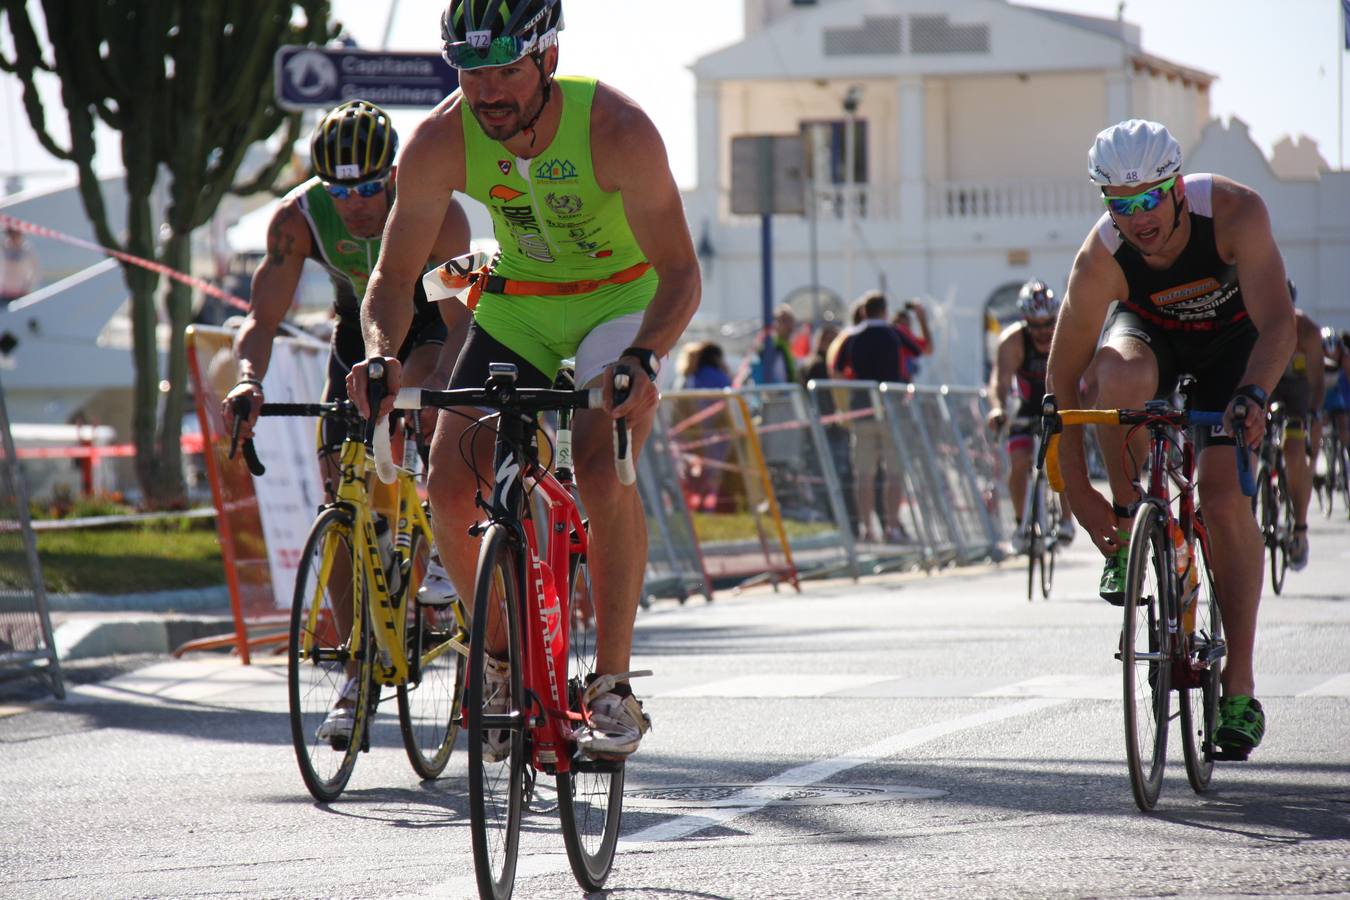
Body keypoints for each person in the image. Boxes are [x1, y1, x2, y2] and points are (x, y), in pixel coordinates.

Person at [347, 0, 701, 760]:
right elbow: (394, 274)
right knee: (445, 484)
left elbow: (680, 273)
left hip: (619, 301)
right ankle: (500, 661)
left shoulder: (619, 131)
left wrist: (644, 359)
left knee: (604, 467)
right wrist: (379, 351)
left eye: (506, 69)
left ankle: (610, 685)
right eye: (472, 72)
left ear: (546, 58)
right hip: (520, 310)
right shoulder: (441, 137)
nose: (488, 91)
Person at [222, 99, 472, 743]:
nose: (356, 202)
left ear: (392, 174)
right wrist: (248, 380)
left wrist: (439, 394)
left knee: (422, 394)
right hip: (354, 341)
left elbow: (462, 322)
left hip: (429, 331)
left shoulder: (438, 209)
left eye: (368, 186)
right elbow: (261, 320)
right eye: (340, 189)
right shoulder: (297, 217)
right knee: (341, 501)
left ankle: (440, 535)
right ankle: (356, 667)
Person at [1048, 119, 1296, 758]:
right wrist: (1085, 500)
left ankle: (1239, 686)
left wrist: (1255, 395)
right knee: (1111, 375)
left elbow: (1277, 325)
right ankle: (1136, 519)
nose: (1140, 218)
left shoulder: (1237, 212)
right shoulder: (1101, 257)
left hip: (1233, 346)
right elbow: (1061, 389)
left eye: (1152, 197)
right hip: (1150, 338)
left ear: (1178, 188)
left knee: (1219, 495)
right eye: (1121, 205)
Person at [986, 279, 1076, 551]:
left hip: (1059, 403)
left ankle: (1066, 520)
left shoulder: (1068, 335)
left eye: (1048, 323)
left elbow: (1085, 376)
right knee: (1017, 462)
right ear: (1025, 321)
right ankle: (1021, 523)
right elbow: (999, 382)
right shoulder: (1013, 340)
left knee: (1061, 460)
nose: (1043, 332)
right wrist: (997, 408)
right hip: (1026, 407)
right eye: (1035, 326)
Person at [830, 290, 909, 544]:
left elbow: (837, 368)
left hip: (862, 410)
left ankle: (867, 528)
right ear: (884, 310)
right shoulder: (894, 333)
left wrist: (853, 390)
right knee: (894, 473)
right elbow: (922, 349)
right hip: (892, 412)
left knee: (863, 474)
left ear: (864, 311)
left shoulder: (851, 337)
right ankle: (892, 526)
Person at [1267, 281, 1324, 570]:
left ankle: (1299, 528)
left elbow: (1316, 383)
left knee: (1294, 451)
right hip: (1269, 386)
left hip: (1298, 393)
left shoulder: (1309, 332)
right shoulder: (1255, 325)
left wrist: (1313, 414)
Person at [673, 341, 732, 511]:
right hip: (707, 436)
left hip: (691, 436)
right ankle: (702, 509)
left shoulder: (689, 379)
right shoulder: (711, 377)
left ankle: (695, 508)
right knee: (708, 476)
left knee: (695, 476)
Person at [749, 304, 798, 385]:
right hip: (774, 394)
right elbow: (757, 369)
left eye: (790, 320)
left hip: (787, 393)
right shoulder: (769, 346)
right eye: (784, 320)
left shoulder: (788, 345)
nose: (788, 325)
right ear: (775, 323)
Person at [890, 298, 933, 383]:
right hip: (899, 382)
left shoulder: (890, 333)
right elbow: (928, 348)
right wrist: (922, 319)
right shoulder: (902, 331)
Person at [0, 226, 40, 305]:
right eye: (11, 235)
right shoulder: (3, 248)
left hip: (22, 293)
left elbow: (35, 270)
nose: (13, 238)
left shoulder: (27, 249)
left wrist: (29, 286)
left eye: (16, 235)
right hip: (5, 292)